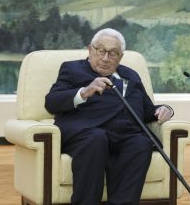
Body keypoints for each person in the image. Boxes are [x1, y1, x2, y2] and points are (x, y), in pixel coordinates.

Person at [45, 28, 174, 205]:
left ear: (120, 57)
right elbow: (51, 102)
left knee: (141, 142)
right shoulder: (72, 69)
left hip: (124, 133)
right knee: (97, 138)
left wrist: (164, 109)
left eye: (113, 53)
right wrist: (84, 92)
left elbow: (145, 110)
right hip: (86, 132)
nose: (106, 58)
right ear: (90, 50)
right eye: (101, 51)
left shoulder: (131, 75)